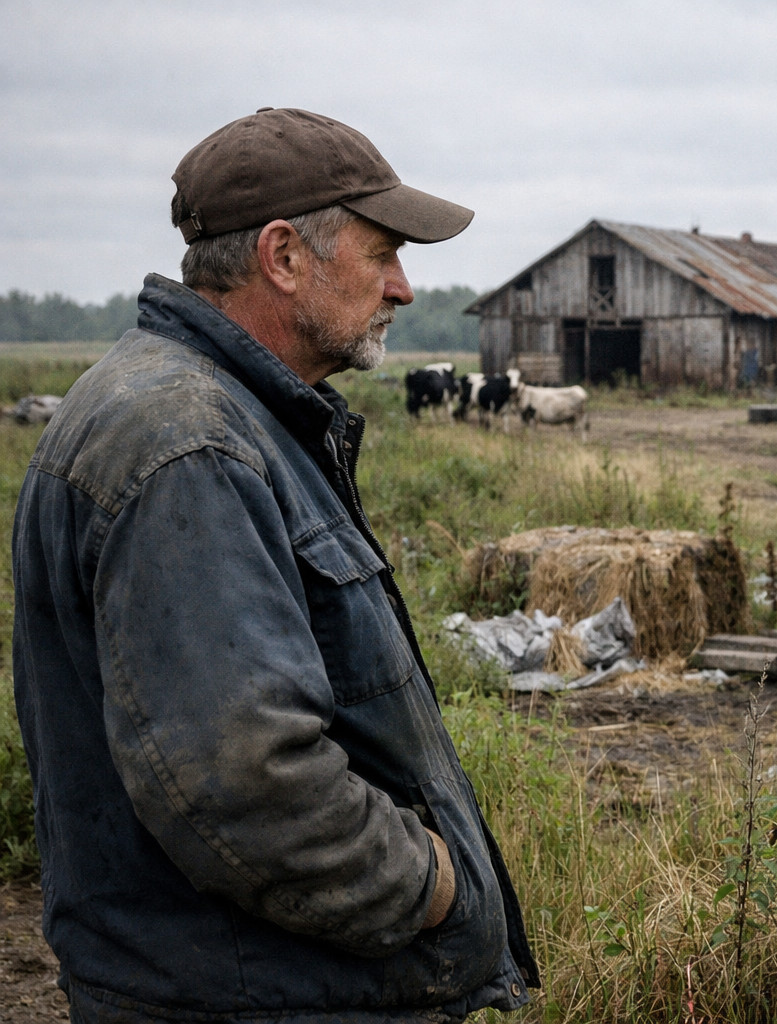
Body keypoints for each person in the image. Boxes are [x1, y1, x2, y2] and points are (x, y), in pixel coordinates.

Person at [11, 108, 538, 1022]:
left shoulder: (204, 412)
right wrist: (436, 885)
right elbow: (244, 781)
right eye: (383, 255)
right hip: (262, 995)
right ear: (285, 256)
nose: (405, 289)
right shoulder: (191, 449)